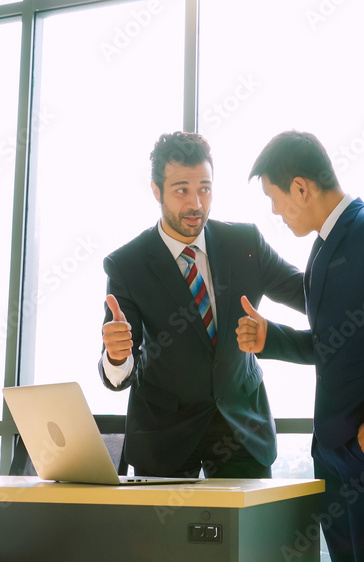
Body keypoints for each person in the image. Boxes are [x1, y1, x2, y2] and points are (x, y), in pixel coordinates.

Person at [236, 130, 364, 561]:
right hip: (334, 451)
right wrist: (271, 337)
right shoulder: (322, 249)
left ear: (301, 188)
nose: (276, 212)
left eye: (275, 199)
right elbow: (335, 345)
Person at [99, 131, 305, 478]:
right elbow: (121, 372)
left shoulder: (245, 243)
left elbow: (308, 294)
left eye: (205, 189)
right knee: (165, 535)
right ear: (156, 190)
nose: (196, 203)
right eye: (181, 190)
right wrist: (117, 356)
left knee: (249, 533)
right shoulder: (127, 265)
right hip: (165, 436)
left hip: (241, 429)